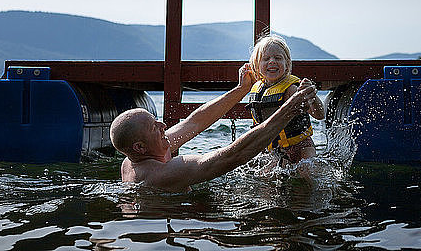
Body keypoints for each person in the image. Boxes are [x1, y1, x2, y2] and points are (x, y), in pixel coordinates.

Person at [109, 63, 320, 192]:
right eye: (154, 127)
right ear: (139, 147)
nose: (163, 125)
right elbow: (232, 156)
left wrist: (240, 89)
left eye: (157, 120)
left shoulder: (141, 153)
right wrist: (289, 109)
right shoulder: (162, 173)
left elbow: (194, 122)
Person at [246, 35, 324, 165]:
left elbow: (320, 115)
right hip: (274, 150)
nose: (272, 61)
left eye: (277, 58)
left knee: (306, 170)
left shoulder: (292, 89)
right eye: (266, 59)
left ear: (287, 64)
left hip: (302, 145)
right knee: (267, 176)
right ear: (256, 65)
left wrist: (312, 96)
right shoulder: (257, 91)